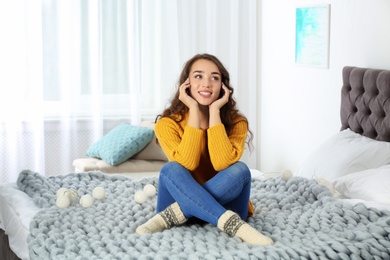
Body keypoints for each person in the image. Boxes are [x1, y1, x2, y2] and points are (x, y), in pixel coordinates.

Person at [136, 53, 273, 246]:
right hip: (183, 199)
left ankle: (176, 213)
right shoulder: (167, 124)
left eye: (214, 78)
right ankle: (235, 226)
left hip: (221, 205)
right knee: (171, 169)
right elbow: (187, 163)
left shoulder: (236, 122)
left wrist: (215, 112)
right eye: (198, 76)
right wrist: (193, 110)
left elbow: (221, 163)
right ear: (186, 84)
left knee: (240, 170)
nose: (206, 83)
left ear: (223, 87)